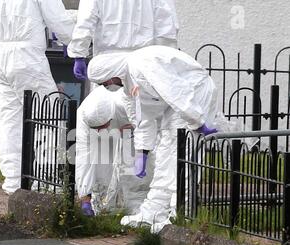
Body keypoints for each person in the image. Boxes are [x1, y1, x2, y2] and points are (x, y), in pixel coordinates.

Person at [88, 45, 229, 233]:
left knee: (183, 154)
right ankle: (153, 210)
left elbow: (174, 90)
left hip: (194, 92)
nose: (106, 86)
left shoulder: (142, 64)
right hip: (178, 103)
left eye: (105, 82)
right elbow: (141, 120)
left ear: (110, 73)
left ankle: (180, 212)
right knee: (165, 153)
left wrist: (196, 121)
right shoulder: (129, 85)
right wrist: (142, 152)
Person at [68, 0, 179, 213]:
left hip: (109, 65)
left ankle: (103, 199)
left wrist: (78, 53)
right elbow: (167, 27)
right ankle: (139, 198)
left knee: (101, 138)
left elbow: (86, 20)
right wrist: (165, 61)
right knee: (142, 132)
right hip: (145, 64)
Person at [0, 0, 75, 194]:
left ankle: (14, 179)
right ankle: (48, 179)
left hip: (0, 56)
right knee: (48, 116)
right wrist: (78, 44)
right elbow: (59, 20)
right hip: (27, 56)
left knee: (10, 121)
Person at [76, 86, 154, 216]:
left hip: (133, 130)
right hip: (111, 132)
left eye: (102, 126)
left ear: (110, 117)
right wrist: (85, 198)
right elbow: (84, 159)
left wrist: (136, 129)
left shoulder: (125, 104)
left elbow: (148, 124)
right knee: (102, 170)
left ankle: (139, 208)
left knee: (134, 173)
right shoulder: (83, 117)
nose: (100, 130)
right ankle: (103, 208)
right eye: (97, 128)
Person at [68, 0, 179, 81]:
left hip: (108, 64)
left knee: (108, 106)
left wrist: (79, 55)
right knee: (140, 107)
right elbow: (166, 25)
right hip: (143, 63)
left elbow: (86, 20)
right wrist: (165, 57)